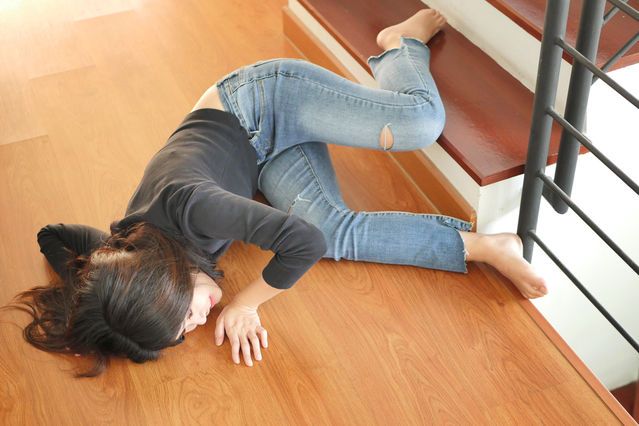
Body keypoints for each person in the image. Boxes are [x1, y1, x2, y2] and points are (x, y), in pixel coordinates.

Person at [1, 9, 547, 377]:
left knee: (421, 123)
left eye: (185, 315)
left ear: (163, 278)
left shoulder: (190, 208)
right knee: (336, 232)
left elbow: (298, 242)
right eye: (187, 331)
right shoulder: (127, 259)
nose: (199, 324)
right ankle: (484, 247)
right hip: (260, 159)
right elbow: (54, 236)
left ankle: (399, 47)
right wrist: (90, 295)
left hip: (264, 104)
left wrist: (246, 302)